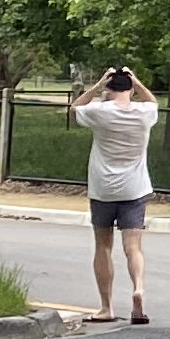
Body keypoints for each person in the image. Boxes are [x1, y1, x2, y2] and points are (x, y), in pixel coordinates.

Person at [70, 65, 162, 325]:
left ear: (109, 89)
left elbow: (75, 108)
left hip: (102, 189)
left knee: (103, 246)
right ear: (130, 90)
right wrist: (137, 81)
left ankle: (106, 307)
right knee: (133, 247)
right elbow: (152, 101)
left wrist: (98, 85)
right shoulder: (144, 114)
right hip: (135, 188)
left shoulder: (99, 112)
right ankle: (139, 289)